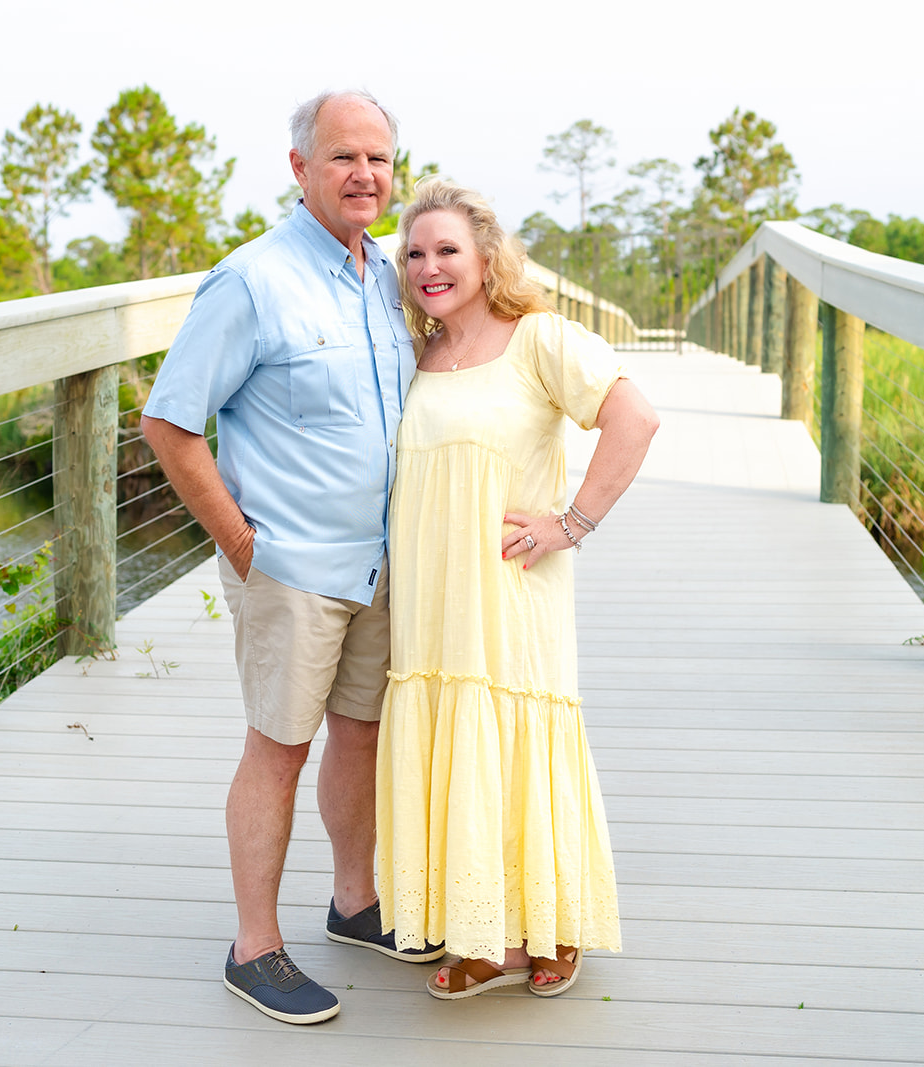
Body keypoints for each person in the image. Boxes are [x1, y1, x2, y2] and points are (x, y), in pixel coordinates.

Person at [140, 90, 441, 1027]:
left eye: (381, 160)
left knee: (362, 732)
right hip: (292, 568)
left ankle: (355, 904)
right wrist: (240, 542)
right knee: (278, 747)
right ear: (299, 167)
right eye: (344, 157)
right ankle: (254, 947)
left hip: (382, 564)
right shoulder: (252, 280)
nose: (366, 176)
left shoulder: (392, 276)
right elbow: (169, 421)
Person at [375, 178, 659, 999]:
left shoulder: (539, 338)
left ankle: (553, 925)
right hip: (432, 598)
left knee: (518, 734)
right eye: (416, 253)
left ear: (488, 256)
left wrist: (571, 522)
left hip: (511, 587)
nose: (430, 266)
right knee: (459, 738)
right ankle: (484, 931)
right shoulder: (414, 351)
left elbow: (634, 418)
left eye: (448, 250)